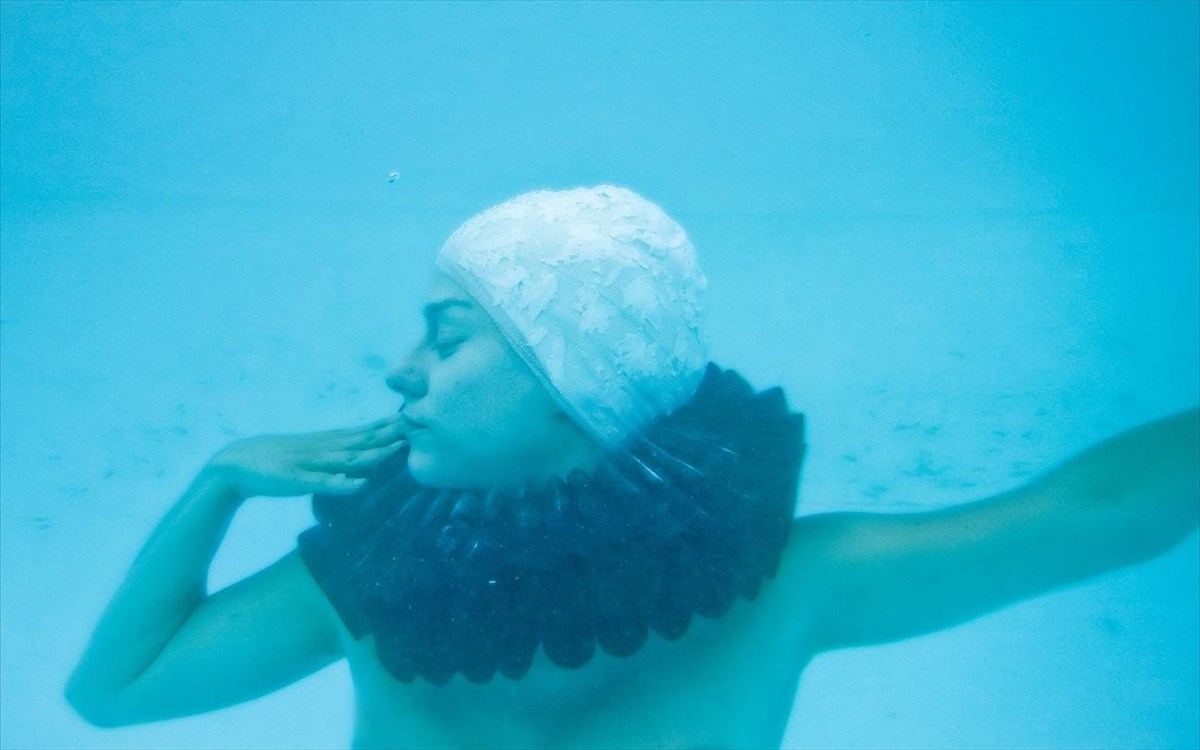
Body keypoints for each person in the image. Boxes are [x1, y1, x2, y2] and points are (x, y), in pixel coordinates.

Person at [65, 186, 1199, 749]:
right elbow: (111, 697)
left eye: (448, 334)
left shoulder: (795, 585)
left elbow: (1099, 511)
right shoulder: (363, 587)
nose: (401, 370)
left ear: (570, 383)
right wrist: (216, 482)